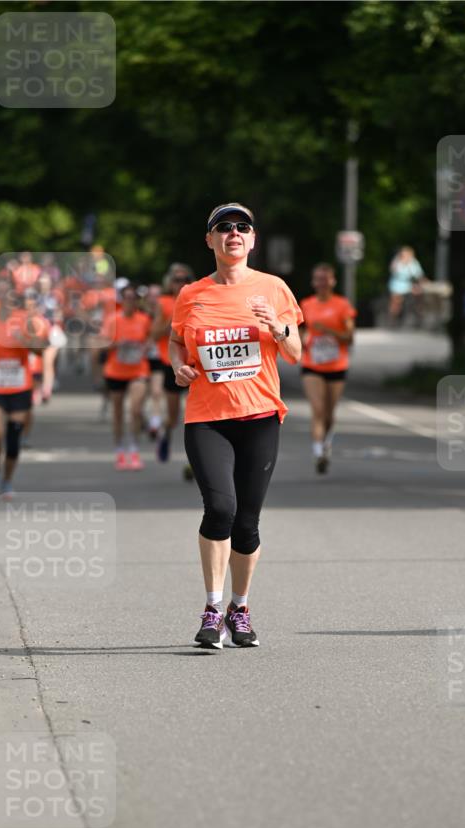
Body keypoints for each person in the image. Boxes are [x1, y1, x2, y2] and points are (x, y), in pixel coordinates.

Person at [169, 202, 302, 649]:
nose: (234, 233)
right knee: (220, 509)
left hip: (260, 417)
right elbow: (174, 341)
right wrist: (178, 367)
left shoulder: (274, 289)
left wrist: (277, 328)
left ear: (252, 239)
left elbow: (297, 353)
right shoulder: (192, 295)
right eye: (223, 228)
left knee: (247, 524)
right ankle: (211, 609)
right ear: (210, 240)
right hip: (207, 419)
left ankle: (239, 609)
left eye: (242, 227)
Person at [0, 278, 48, 498]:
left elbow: (41, 350)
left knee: (13, 440)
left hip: (19, 388)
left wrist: (25, 340)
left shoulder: (25, 320)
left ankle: (7, 481)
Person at [299, 263, 356, 474]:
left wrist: (329, 331)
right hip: (312, 364)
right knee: (318, 410)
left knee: (330, 414)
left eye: (325, 279)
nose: (321, 283)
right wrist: (303, 340)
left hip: (336, 365)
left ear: (332, 281)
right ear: (313, 282)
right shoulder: (306, 304)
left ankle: (326, 444)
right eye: (318, 279)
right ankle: (318, 453)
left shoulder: (342, 305)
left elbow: (350, 337)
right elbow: (301, 331)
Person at [99, 284, 151, 470]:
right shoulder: (113, 319)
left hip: (138, 370)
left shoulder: (144, 319)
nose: (130, 301)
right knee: (118, 412)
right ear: (122, 300)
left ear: (137, 301)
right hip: (115, 370)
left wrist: (145, 347)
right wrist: (116, 344)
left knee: (136, 410)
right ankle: (120, 450)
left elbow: (150, 339)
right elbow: (102, 343)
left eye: (133, 298)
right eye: (126, 298)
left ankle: (134, 450)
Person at [151, 263, 194, 463]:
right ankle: (165, 434)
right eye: (177, 280)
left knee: (196, 415)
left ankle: (195, 458)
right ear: (170, 283)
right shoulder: (165, 302)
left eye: (186, 280)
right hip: (172, 364)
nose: (182, 284)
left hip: (195, 363)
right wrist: (172, 322)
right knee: (174, 416)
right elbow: (154, 334)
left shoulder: (197, 300)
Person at [387, 246, 424, 325]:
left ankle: (418, 314)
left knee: (419, 294)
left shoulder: (414, 262)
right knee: (396, 301)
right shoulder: (397, 261)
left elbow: (418, 275)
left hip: (409, 284)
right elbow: (393, 271)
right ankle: (393, 319)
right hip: (397, 284)